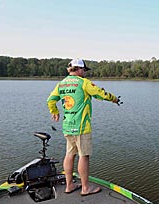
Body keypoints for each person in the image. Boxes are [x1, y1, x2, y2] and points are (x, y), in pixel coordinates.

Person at [47, 58, 119, 196]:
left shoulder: (61, 84)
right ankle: (85, 188)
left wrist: (54, 111)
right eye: (84, 70)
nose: (85, 72)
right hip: (81, 128)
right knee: (83, 156)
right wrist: (114, 99)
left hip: (67, 126)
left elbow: (50, 100)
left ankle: (69, 185)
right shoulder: (84, 83)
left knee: (69, 154)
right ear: (79, 69)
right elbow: (100, 93)